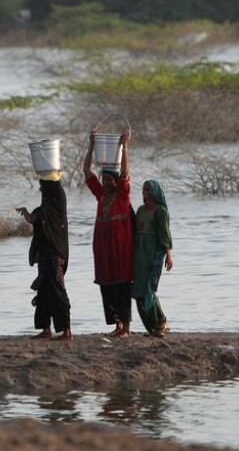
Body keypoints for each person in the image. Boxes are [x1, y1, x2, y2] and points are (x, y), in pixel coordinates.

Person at [83, 128, 133, 338]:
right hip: (103, 248)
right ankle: (117, 324)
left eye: (109, 180)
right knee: (107, 286)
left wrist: (125, 147)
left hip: (121, 248)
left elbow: (125, 173)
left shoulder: (122, 195)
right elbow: (87, 172)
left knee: (122, 286)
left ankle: (126, 328)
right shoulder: (101, 195)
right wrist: (92, 146)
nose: (105, 183)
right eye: (104, 181)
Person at [16, 173, 72, 341]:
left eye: (42, 185)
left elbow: (38, 217)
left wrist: (29, 213)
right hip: (47, 253)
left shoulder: (56, 204)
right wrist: (28, 213)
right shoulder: (49, 204)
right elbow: (35, 218)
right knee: (44, 291)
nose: (40, 188)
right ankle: (46, 328)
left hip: (56, 253)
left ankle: (67, 331)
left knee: (57, 289)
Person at [132, 180, 174, 337]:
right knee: (138, 292)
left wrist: (168, 257)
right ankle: (152, 327)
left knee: (149, 290)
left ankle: (161, 321)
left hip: (153, 256)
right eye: (143, 189)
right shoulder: (141, 210)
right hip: (139, 256)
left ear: (155, 192)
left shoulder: (160, 211)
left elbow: (165, 236)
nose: (145, 192)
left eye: (148, 189)